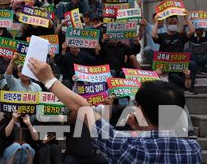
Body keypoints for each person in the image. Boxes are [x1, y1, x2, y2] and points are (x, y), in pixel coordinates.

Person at [26, 57, 203, 163]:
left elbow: (83, 108)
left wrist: (49, 80)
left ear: (141, 111)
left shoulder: (129, 146)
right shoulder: (193, 149)